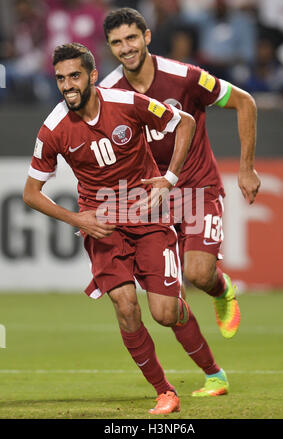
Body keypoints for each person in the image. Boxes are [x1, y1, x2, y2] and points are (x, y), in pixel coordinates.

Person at [22, 42, 216, 415]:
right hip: (103, 225)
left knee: (163, 312)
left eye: (75, 76)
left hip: (148, 218)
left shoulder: (127, 102)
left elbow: (185, 122)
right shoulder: (53, 129)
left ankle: (212, 370)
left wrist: (169, 178)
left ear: (93, 75)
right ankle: (165, 392)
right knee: (126, 306)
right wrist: (78, 219)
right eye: (61, 78)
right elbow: (32, 193)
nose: (67, 85)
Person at [100, 8, 261, 394]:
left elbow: (246, 102)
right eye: (117, 42)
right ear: (109, 47)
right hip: (154, 201)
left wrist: (247, 168)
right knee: (166, 307)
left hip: (198, 188)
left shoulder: (184, 77)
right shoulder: (109, 92)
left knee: (199, 273)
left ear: (147, 36)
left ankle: (222, 291)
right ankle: (214, 376)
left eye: (131, 38)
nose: (126, 48)